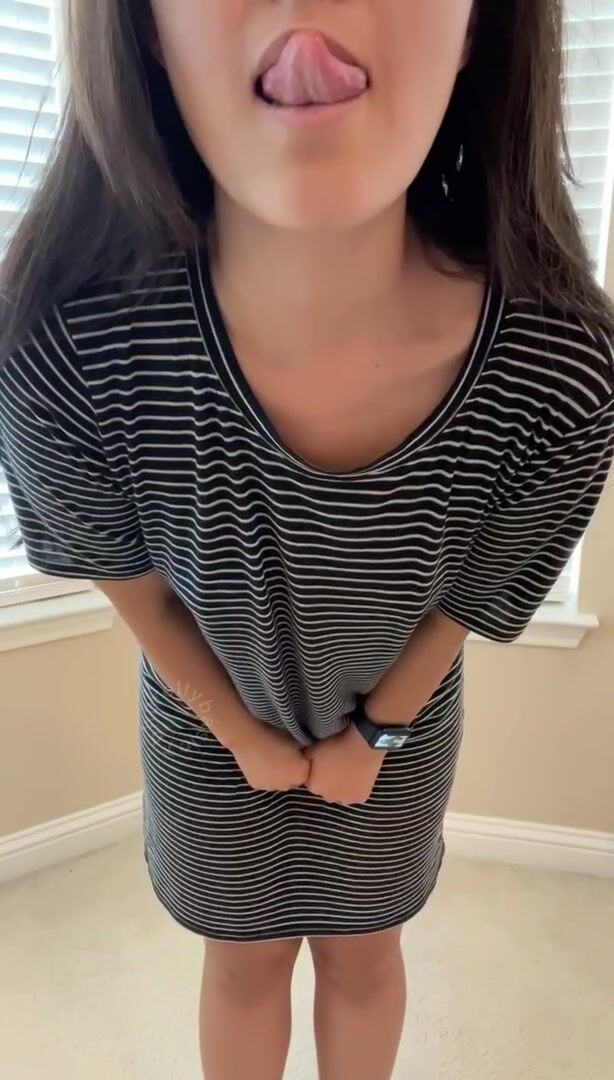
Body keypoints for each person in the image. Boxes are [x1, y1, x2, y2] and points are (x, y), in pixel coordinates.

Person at [1, 2, 613, 1078]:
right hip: (202, 728)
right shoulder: (69, 347)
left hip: (399, 736)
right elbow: (130, 586)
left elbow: (475, 593)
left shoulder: (558, 368)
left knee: (363, 953)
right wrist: (237, 733)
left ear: (479, 25)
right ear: (144, 28)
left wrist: (374, 736)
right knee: (240, 964)